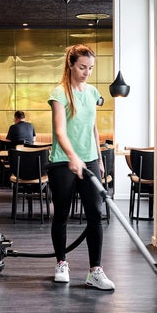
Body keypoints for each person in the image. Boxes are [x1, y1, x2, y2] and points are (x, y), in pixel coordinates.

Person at [47, 44, 114, 290]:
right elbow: (60, 131)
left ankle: (95, 271)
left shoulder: (92, 92)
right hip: (62, 161)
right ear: (71, 65)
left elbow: (93, 128)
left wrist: (98, 159)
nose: (87, 72)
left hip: (89, 160)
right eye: (83, 67)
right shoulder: (59, 94)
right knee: (62, 214)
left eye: (91, 68)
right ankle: (61, 263)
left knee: (95, 214)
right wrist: (73, 157)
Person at [0, 110, 36, 176]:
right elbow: (34, 139)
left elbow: (7, 141)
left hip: (15, 155)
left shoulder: (13, 127)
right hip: (29, 155)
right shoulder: (31, 125)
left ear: (16, 118)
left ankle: (6, 174)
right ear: (24, 117)